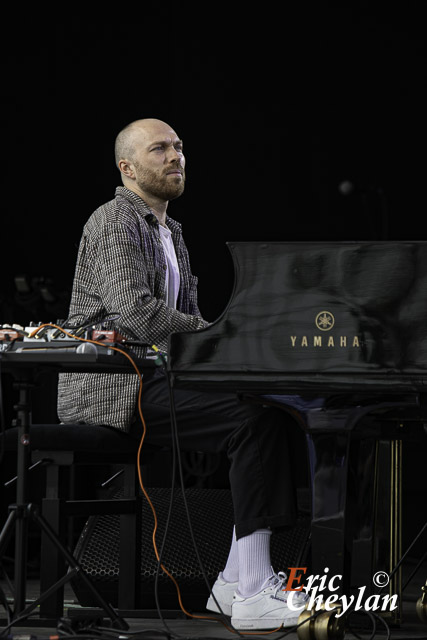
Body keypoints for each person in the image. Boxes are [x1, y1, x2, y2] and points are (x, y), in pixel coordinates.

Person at [57, 118, 307, 630]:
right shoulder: (112, 220)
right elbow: (136, 314)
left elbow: (183, 329)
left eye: (178, 147)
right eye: (159, 149)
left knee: (271, 411)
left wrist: (238, 353)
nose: (176, 156)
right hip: (115, 386)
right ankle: (253, 589)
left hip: (158, 377)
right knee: (252, 421)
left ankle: (235, 583)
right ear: (127, 168)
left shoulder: (171, 231)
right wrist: (220, 332)